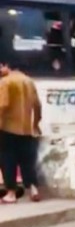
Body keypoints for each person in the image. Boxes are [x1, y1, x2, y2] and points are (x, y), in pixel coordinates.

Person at [0, 61, 42, 203]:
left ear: (7, 66)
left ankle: (11, 193)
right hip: (27, 130)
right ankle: (34, 189)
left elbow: (2, 106)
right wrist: (35, 124)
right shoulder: (29, 82)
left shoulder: (5, 82)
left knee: (7, 160)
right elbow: (37, 106)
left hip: (8, 129)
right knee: (27, 161)